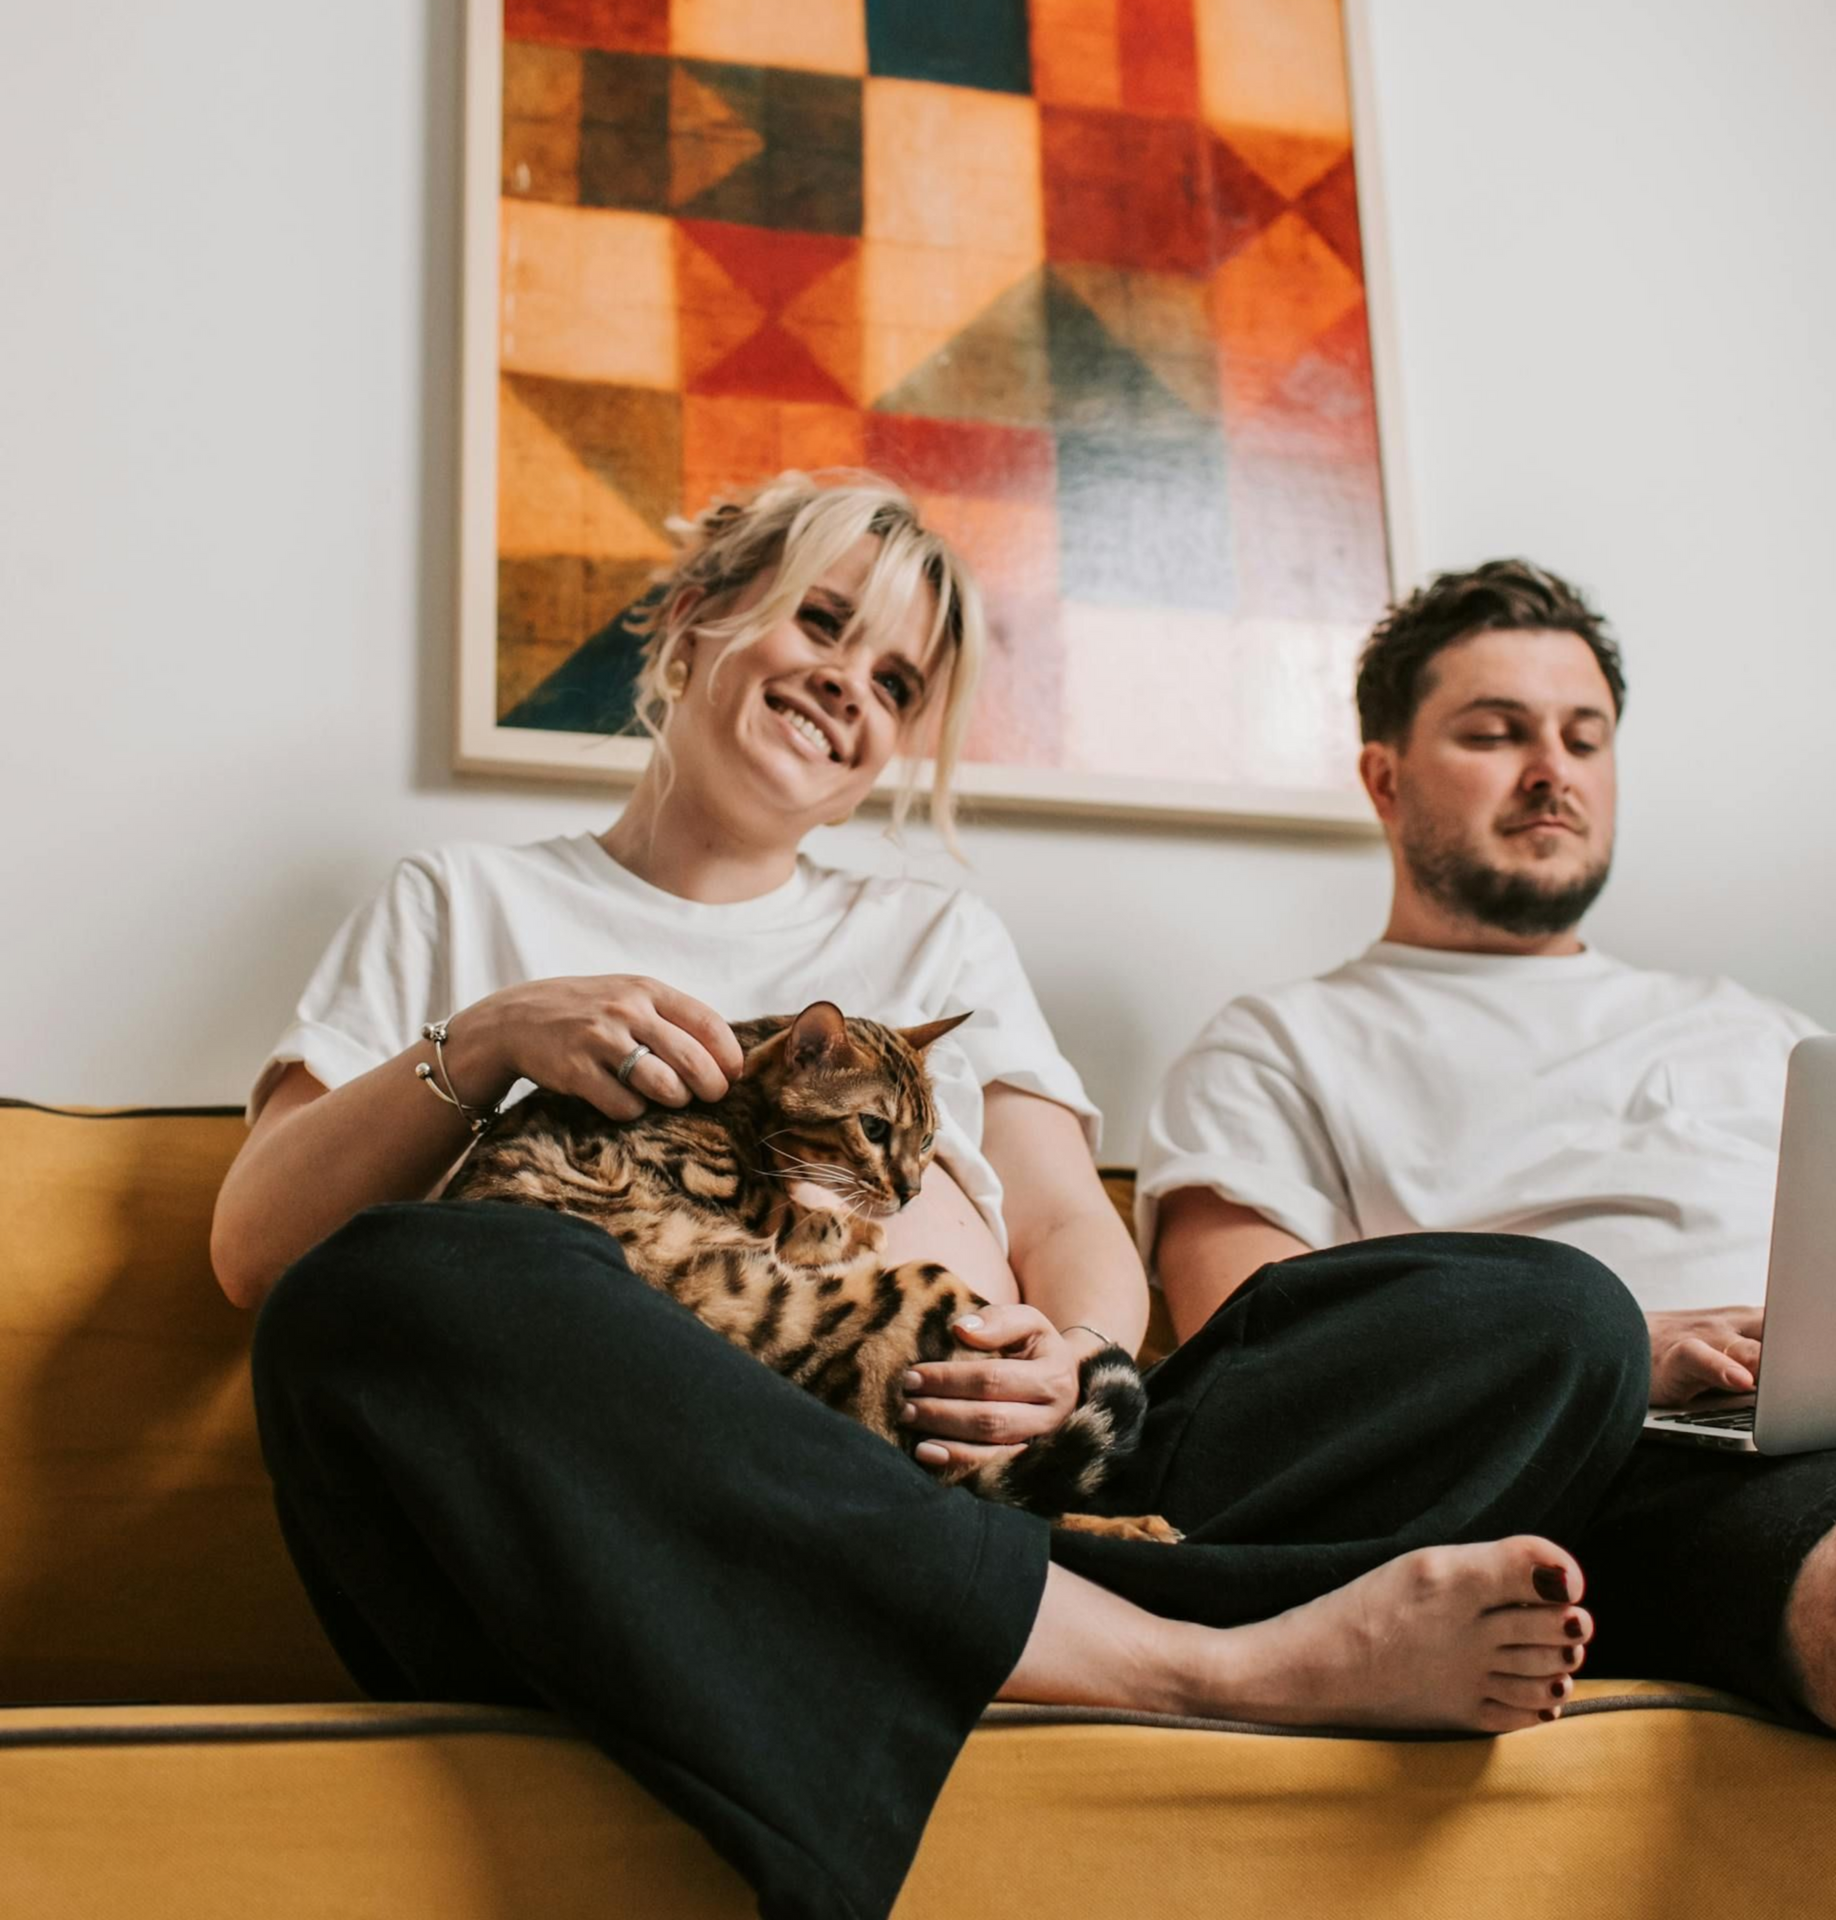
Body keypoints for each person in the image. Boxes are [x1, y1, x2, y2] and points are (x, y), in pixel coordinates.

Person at [214, 482, 1646, 1920]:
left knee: (1552, 1318)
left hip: (1010, 1476)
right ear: (697, 612)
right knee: (384, 1293)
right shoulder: (457, 904)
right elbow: (257, 1251)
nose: (850, 684)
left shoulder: (934, 934)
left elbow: (1073, 1225)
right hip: (643, 1527)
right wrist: (490, 1037)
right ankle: (1199, 1663)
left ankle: (1016, 1615)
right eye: (822, 623)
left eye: (896, 679)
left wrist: (1078, 1350)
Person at [1145, 556, 1836, 1761]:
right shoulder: (1277, 1044)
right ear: (1384, 779)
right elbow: (1253, 1358)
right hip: (1631, 1456)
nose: (1553, 770)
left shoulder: (1758, 1025)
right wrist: (1629, 1352)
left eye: (1585, 736)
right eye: (1498, 733)